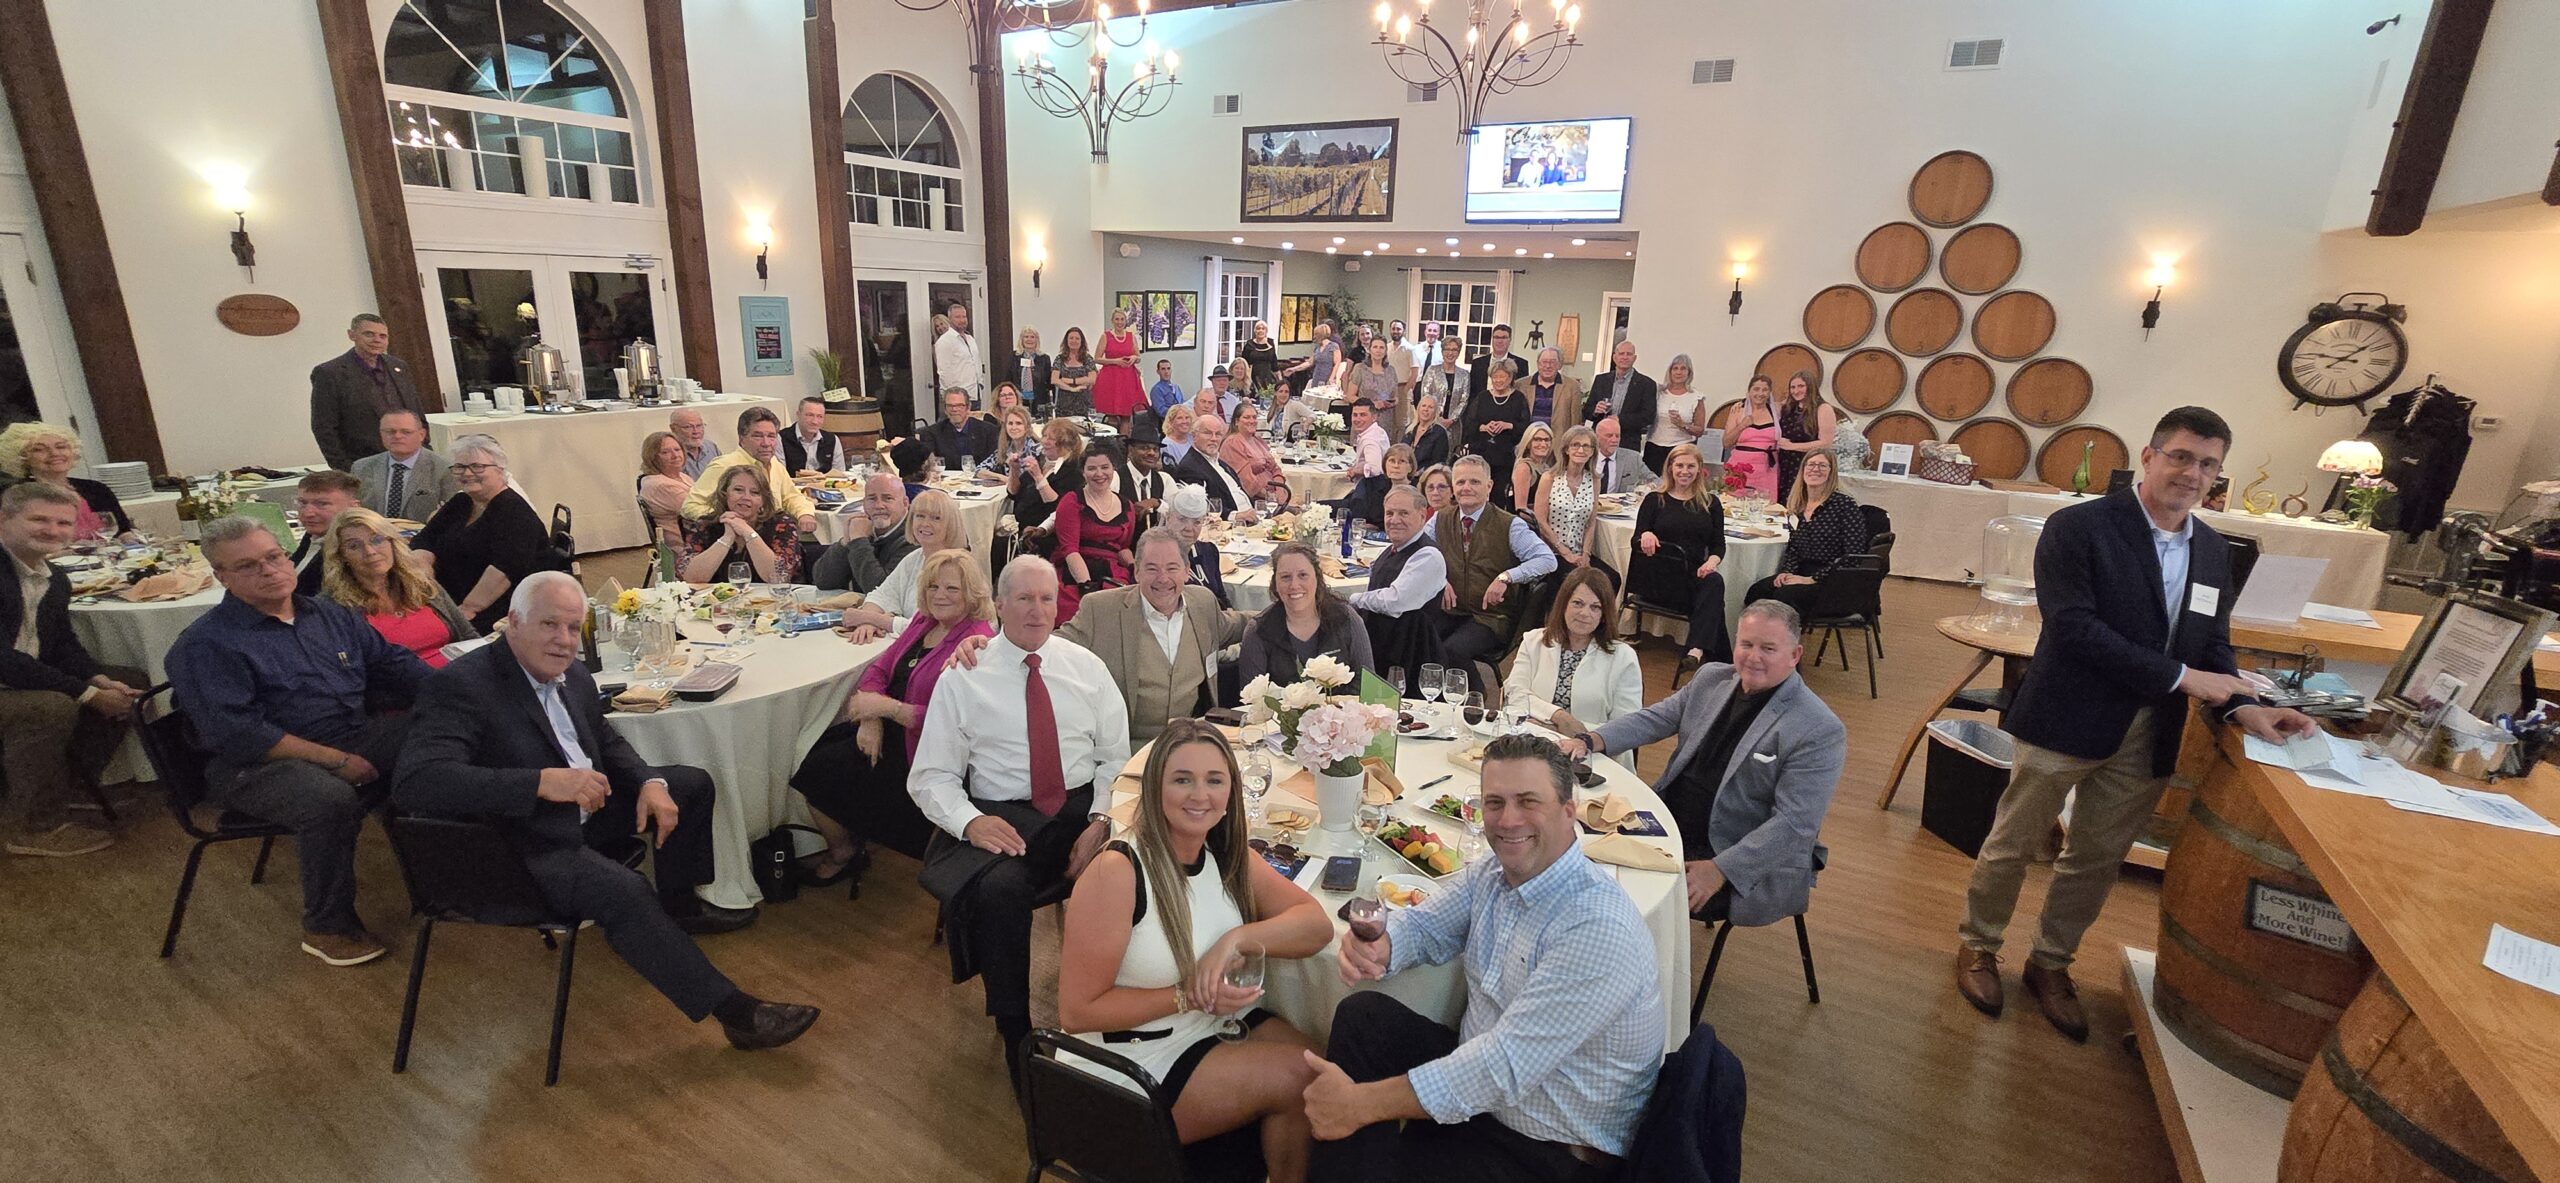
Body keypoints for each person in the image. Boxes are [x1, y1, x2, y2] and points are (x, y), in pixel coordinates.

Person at [1956, 406, 2318, 1041]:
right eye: (2180, 457)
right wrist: (2183, 679)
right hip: (2066, 715)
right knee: (2014, 843)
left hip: (2148, 730)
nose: (2191, 473)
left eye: (2207, 464)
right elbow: (2074, 629)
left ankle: (2051, 963)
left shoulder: (2212, 549)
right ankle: (1979, 946)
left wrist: (2244, 704)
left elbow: (2212, 646)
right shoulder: (2079, 528)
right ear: (2148, 458)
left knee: (2096, 857)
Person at [394, 572, 818, 1048]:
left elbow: (608, 741)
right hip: (515, 842)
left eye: (573, 629)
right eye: (550, 625)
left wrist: (649, 782)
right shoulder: (463, 687)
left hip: (583, 808)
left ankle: (677, 912)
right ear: (512, 623)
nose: (563, 641)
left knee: (689, 785)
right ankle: (738, 1015)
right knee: (627, 891)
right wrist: (538, 783)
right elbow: (419, 782)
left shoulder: (571, 672)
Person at [1307, 732, 1662, 1180]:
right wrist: (1385, 944)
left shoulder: (1596, 927)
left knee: (1363, 1115)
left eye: (1528, 802)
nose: (1508, 820)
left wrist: (1361, 1106)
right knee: (1364, 1018)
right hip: (1493, 1092)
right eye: (1495, 803)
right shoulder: (1497, 872)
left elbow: (1500, 1068)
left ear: (1568, 812)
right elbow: (1426, 925)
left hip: (1547, 1149)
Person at [1062, 719, 1332, 1180]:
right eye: (1182, 779)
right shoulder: (1118, 871)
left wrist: (1237, 938)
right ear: (1155, 788)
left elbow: (1317, 926)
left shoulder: (1225, 855)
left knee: (1323, 1065)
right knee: (1302, 1079)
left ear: (1231, 791)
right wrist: (1188, 995)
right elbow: (1077, 1012)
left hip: (1202, 1028)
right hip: (1126, 1063)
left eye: (1214, 780)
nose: (1199, 795)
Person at [167, 516, 434, 966]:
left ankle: (461, 872)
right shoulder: (206, 645)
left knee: (449, 730)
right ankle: (327, 926)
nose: (269, 570)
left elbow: (394, 664)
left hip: (349, 736)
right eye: (248, 566)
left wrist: (465, 697)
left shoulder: (327, 613)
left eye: (273, 557)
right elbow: (240, 734)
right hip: (255, 764)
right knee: (327, 799)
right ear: (222, 577)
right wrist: (335, 760)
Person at [910, 557, 1127, 1077]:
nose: (1037, 610)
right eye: (1024, 599)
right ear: (1000, 606)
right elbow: (931, 776)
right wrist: (969, 822)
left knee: (1133, 865)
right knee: (997, 892)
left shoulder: (1086, 667)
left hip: (1079, 807)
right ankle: (1016, 1031)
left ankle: (1119, 1011)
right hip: (1005, 817)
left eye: (1047, 598)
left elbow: (1116, 757)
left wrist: (1100, 821)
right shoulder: (964, 676)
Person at [1568, 601, 1846, 929]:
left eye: (1768, 648)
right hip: (1667, 820)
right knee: (1578, 852)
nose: (1753, 657)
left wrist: (1721, 869)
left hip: (1728, 848)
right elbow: (1656, 718)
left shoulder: (1818, 728)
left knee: (1626, 897)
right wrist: (1591, 740)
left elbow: (1795, 825)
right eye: (1746, 644)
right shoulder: (1712, 678)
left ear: (1794, 655)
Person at [791, 549, 994, 886]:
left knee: (823, 768)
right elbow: (879, 668)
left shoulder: (977, 642)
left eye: (951, 589)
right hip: (888, 728)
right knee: (810, 755)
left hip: (926, 750)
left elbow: (961, 724)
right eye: (933, 587)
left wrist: (887, 710)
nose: (939, 596)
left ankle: (846, 850)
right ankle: (848, 845)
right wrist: (871, 719)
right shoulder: (923, 622)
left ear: (972, 595)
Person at [0, 482, 145, 858]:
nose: (53, 530)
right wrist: (87, 694)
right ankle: (36, 825)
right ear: (4, 519)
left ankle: (70, 789)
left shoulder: (54, 578)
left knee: (130, 683)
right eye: (39, 519)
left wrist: (99, 680)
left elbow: (62, 644)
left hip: (18, 677)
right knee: (50, 706)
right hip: (8, 680)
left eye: (63, 523)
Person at [1039, 528, 1250, 745]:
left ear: (1187, 571)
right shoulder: (1100, 610)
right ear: (1136, 571)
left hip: (1190, 742)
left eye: (1172, 568)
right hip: (1126, 748)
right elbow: (1052, 648)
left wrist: (1284, 609)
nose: (1163, 578)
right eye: (1152, 568)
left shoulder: (1202, 603)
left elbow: (1238, 624)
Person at [410, 434, 551, 633]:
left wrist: (465, 611)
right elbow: (425, 539)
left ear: (500, 470)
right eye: (459, 467)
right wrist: (423, 571)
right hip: (446, 599)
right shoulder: (462, 502)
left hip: (497, 611)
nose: (467, 473)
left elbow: (503, 572)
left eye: (477, 467)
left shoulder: (515, 512)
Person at [1504, 569, 1643, 770]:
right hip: (1532, 750)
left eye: (1595, 607)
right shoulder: (1533, 641)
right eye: (1577, 603)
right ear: (1563, 605)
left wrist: (1572, 734)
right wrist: (1560, 718)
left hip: (1595, 761)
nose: (1585, 613)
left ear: (1604, 615)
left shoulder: (1623, 657)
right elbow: (1515, 695)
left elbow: (1626, 728)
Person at [1431, 456, 1557, 675]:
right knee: (1413, 633)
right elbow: (1419, 553)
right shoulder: (1439, 519)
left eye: (1474, 482)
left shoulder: (1509, 525)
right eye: (1460, 482)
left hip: (1491, 617)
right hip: (1450, 610)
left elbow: (1547, 560)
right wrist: (1439, 578)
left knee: (1452, 650)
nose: (1466, 488)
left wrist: (1506, 577)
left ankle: (1475, 699)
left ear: (1489, 486)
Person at [319, 507, 475, 669]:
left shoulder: (422, 584)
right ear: (341, 556)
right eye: (354, 546)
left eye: (377, 540)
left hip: (459, 679)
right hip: (399, 690)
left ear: (393, 543)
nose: (370, 552)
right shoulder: (334, 606)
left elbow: (469, 637)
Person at [1629, 444, 1731, 672]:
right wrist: (1645, 534)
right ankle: (1718, 661)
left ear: (1699, 469)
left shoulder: (1711, 503)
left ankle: (1695, 652)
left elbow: (1718, 545)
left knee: (1714, 582)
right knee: (1713, 598)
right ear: (1671, 468)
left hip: (1692, 578)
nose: (1685, 471)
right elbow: (1635, 540)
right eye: (1680, 465)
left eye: (1690, 466)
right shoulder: (1655, 500)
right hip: (1657, 579)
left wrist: (1712, 561)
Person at [1743, 449, 1866, 617]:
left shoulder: (1845, 506)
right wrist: (1787, 572)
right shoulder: (1798, 505)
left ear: (1831, 472)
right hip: (1802, 571)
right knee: (1757, 591)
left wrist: (1812, 579)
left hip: (1834, 580)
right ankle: (1758, 640)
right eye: (1811, 464)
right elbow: (1794, 549)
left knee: (1783, 597)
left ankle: (1784, 641)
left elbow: (1853, 557)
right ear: (1803, 470)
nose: (1815, 469)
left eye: (1822, 465)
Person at [1350, 486, 1446, 695]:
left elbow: (1395, 600)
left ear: (1422, 516)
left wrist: (1353, 599)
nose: (1394, 520)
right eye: (1389, 513)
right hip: (1383, 646)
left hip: (1410, 654)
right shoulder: (1393, 548)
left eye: (1403, 513)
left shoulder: (1428, 556)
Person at [1241, 542, 1376, 687]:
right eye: (1285, 577)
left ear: (1317, 578)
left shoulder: (1346, 618)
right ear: (1275, 583)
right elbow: (1252, 701)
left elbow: (1366, 685)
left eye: (1303, 575)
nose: (1294, 585)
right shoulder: (1258, 631)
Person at [835, 488, 962, 642]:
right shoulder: (915, 558)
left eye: (936, 518)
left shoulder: (954, 567)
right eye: (920, 516)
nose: (925, 524)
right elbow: (882, 594)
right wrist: (866, 623)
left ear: (951, 524)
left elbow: (931, 628)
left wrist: (872, 618)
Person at [309, 313, 425, 471]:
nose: (377, 340)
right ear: (352, 335)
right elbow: (324, 426)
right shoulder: (329, 373)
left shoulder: (399, 367)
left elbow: (416, 411)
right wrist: (344, 468)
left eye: (382, 336)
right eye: (369, 334)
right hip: (363, 463)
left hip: (411, 458)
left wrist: (424, 447)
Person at [679, 406, 821, 534]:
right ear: (742, 438)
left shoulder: (774, 463)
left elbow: (791, 496)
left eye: (771, 436)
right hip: (735, 539)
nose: (766, 443)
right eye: (757, 436)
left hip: (772, 534)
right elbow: (690, 506)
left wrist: (805, 514)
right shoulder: (724, 465)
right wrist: (727, 518)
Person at [0, 422, 134, 541]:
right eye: (39, 449)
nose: (54, 453)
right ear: (22, 457)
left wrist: (129, 538)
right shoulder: (14, 494)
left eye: (61, 447)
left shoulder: (96, 488)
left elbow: (122, 530)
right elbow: (14, 544)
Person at [1052, 442, 1137, 622]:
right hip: (1076, 568)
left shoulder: (1126, 505)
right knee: (1076, 611)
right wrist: (1086, 586)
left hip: (1113, 571)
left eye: (1105, 467)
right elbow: (1070, 550)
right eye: (1092, 468)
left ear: (1114, 469)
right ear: (1083, 472)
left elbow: (1123, 548)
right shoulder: (1072, 501)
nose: (1099, 474)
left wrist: (1135, 568)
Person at [682, 462, 801, 585]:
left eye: (755, 493)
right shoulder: (705, 525)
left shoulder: (781, 524)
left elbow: (778, 576)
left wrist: (747, 532)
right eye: (738, 490)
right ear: (724, 494)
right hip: (719, 601)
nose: (746, 497)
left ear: (763, 501)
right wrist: (727, 538)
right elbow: (691, 578)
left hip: (772, 601)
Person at [1532, 425, 1607, 591]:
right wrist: (1564, 552)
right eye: (1575, 445)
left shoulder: (1594, 480)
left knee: (1612, 579)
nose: (1581, 450)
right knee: (1576, 583)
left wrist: (1585, 555)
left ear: (1593, 451)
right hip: (1553, 552)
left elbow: (1591, 522)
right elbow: (1540, 521)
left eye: (1586, 446)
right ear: (1566, 449)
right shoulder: (1549, 478)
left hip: (1579, 553)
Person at [810, 471, 909, 593]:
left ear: (905, 503)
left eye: (887, 498)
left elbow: (882, 591)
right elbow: (823, 581)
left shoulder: (914, 539)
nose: (879, 505)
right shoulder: (863, 528)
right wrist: (845, 542)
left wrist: (859, 541)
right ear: (863, 503)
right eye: (872, 499)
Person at [353, 409, 457, 523]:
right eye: (390, 431)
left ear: (422, 435)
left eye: (406, 432)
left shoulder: (444, 469)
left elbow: (452, 514)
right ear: (381, 434)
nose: (397, 436)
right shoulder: (361, 467)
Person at [1461, 365, 1531, 508]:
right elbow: (1469, 423)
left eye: (1502, 377)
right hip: (1481, 453)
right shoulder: (1483, 397)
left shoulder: (1518, 398)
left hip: (1505, 456)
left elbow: (1525, 426)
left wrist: (1508, 425)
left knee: (1498, 494)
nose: (1498, 380)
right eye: (1495, 377)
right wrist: (1484, 427)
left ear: (1510, 378)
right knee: (1478, 490)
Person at [288, 470, 363, 596]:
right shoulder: (314, 534)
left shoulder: (353, 553)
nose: (308, 513)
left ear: (353, 508)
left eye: (322, 504)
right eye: (303, 503)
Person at [1172, 414, 1256, 519]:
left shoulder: (1221, 464)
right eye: (1208, 433)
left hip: (1252, 518)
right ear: (1194, 436)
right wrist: (1236, 516)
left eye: (1218, 434)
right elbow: (1198, 508)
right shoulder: (1189, 467)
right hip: (1231, 526)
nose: (1214, 439)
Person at [1162, 486, 1229, 608]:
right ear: (1168, 518)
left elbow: (1222, 597)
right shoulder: (1157, 557)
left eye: (1197, 522)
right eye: (1182, 519)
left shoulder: (1209, 550)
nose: (1189, 528)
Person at [1772, 371, 1835, 503]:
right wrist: (1743, 404)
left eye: (1801, 386)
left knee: (1800, 504)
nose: (1796, 391)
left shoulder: (1823, 408)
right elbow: (1764, 406)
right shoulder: (1789, 407)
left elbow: (1826, 443)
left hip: (1807, 466)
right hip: (1784, 465)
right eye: (1793, 387)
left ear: (1810, 387)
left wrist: (1792, 446)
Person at [1013, 417, 1084, 531]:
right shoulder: (1041, 462)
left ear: (1065, 444)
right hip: (1020, 526)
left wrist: (1038, 477)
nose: (1044, 441)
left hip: (1044, 533)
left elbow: (1057, 508)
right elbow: (1013, 494)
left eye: (1051, 439)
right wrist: (1014, 470)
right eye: (1044, 436)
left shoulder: (1073, 472)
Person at [1719, 374, 1781, 503]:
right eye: (1756, 389)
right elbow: (1726, 443)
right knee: (1734, 506)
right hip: (1739, 469)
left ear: (1770, 392)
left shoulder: (1777, 410)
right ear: (1749, 392)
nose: (1760, 393)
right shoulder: (1737, 411)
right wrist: (1742, 426)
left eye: (1765, 390)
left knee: (1765, 505)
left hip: (1767, 468)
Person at [1223, 403, 1293, 510]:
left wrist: (1280, 491)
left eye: (1254, 417)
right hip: (1255, 500)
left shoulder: (1257, 440)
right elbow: (1247, 481)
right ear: (1237, 421)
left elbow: (1275, 469)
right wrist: (1272, 498)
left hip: (1275, 495)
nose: (1252, 421)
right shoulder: (1232, 443)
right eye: (1246, 417)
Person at [1093, 307, 1146, 431]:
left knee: (1126, 415)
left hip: (1127, 378)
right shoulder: (1106, 336)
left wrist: (1134, 357)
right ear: (1112, 320)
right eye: (1117, 319)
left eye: (1122, 319)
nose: (1119, 322)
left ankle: (1124, 445)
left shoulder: (1130, 336)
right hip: (1111, 378)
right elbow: (1097, 358)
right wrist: (1115, 361)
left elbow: (1138, 357)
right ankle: (1112, 444)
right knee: (1112, 415)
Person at [1592, 340, 1656, 441]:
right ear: (1614, 357)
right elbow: (1587, 410)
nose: (1625, 357)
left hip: (1628, 441)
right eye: (1621, 353)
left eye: (1629, 354)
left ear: (1634, 358)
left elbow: (1648, 417)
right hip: (1601, 439)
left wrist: (1620, 419)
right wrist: (1595, 410)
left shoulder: (1647, 384)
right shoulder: (1601, 380)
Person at [636, 430, 691, 547]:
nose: (675, 456)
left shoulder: (681, 476)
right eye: (665, 452)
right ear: (652, 457)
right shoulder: (660, 485)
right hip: (682, 545)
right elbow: (696, 512)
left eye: (677, 450)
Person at [925, 386, 1000, 471]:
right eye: (950, 405)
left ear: (968, 408)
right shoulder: (933, 433)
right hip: (947, 482)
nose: (954, 409)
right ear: (945, 409)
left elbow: (993, 464)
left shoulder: (988, 431)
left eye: (959, 405)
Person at [1464, 323, 1528, 405]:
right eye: (1496, 337)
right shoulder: (1478, 363)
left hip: (1509, 411)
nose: (1500, 341)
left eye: (1504, 337)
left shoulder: (1521, 364)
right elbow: (1472, 392)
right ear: (1492, 339)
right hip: (1481, 410)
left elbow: (1522, 393)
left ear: (1510, 340)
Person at [935, 300, 982, 408]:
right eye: (958, 317)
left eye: (964, 317)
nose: (962, 320)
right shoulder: (945, 341)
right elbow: (944, 372)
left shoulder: (970, 339)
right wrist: (953, 399)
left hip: (975, 394)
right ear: (950, 319)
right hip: (958, 399)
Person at [1414, 334, 1468, 428]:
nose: (1450, 353)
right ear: (1442, 351)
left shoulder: (1464, 374)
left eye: (1454, 350)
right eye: (1447, 349)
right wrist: (1438, 418)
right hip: (1431, 422)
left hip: (1453, 425)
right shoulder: (1432, 370)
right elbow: (1426, 396)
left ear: (1458, 352)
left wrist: (1452, 419)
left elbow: (1464, 400)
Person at [1591, 416, 1653, 496]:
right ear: (1596, 437)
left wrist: (1648, 488)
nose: (1614, 440)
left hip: (1620, 506)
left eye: (1617, 436)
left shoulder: (1633, 458)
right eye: (1609, 436)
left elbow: (1656, 481)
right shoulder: (1586, 457)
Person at [1524, 347, 1583, 430]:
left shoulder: (1572, 386)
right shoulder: (1522, 385)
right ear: (1538, 364)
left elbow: (1575, 420)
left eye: (1553, 362)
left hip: (1558, 440)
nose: (1548, 366)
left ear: (1560, 365)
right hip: (1528, 438)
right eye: (1544, 362)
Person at [1349, 340, 1397, 437]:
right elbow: (1350, 396)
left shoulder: (1391, 370)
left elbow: (1396, 397)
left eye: (1381, 347)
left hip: (1385, 420)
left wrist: (1390, 403)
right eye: (1375, 347)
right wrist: (1372, 404)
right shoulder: (1360, 369)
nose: (1378, 350)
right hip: (1364, 419)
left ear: (1385, 351)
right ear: (1370, 350)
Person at [981, 405, 1038, 481]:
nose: (1014, 427)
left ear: (1027, 427)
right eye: (1010, 423)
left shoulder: (1037, 450)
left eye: (1018, 423)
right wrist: (1001, 477)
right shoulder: (1005, 449)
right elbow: (979, 470)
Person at [1509, 422, 1556, 516]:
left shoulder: (1546, 467)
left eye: (1547, 440)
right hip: (1529, 526)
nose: (1543, 444)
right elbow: (1521, 510)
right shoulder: (1524, 468)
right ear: (1528, 443)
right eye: (1537, 439)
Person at [1052, 326, 1098, 419]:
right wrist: (1072, 388)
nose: (1074, 341)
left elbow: (1092, 379)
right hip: (1063, 405)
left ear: (1081, 341)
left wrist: (1069, 381)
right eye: (1071, 338)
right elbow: (1054, 380)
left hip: (1084, 404)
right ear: (1066, 341)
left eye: (1077, 338)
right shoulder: (1060, 359)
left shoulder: (1087, 358)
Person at [1282, 323, 1340, 393]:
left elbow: (1337, 363)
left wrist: (1331, 378)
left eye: (1316, 334)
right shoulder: (1317, 348)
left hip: (1328, 378)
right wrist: (1293, 369)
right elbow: (1309, 362)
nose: (1314, 337)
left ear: (1320, 335)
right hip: (1317, 377)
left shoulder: (1333, 346)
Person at [1404, 392, 1451, 473]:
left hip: (1425, 475)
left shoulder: (1439, 433)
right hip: (1406, 473)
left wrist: (1420, 472)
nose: (1426, 409)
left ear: (1435, 412)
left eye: (1430, 407)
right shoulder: (1409, 429)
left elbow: (1438, 462)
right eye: (1424, 406)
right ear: (1418, 409)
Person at [668, 407, 719, 480]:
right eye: (688, 427)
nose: (696, 431)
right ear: (673, 429)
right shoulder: (671, 455)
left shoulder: (711, 447)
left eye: (699, 426)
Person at [1013, 327, 1054, 413]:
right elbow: (1009, 378)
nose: (1029, 339)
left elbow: (1049, 381)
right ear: (1021, 339)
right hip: (1019, 401)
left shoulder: (1044, 358)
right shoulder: (1014, 357)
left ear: (1037, 340)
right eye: (1026, 336)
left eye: (1032, 337)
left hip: (1040, 401)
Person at [1347, 400, 1390, 481]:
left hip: (1371, 488)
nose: (1357, 419)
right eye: (1355, 415)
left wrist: (1356, 470)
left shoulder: (1370, 440)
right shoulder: (1378, 430)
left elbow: (1375, 469)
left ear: (1374, 417)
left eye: (1363, 415)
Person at [1240, 319, 1282, 392]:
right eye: (1258, 328)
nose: (1260, 330)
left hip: (1268, 375)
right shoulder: (1249, 344)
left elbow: (1274, 362)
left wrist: (1280, 380)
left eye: (1263, 329)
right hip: (1254, 375)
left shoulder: (1270, 343)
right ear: (1255, 331)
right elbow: (1243, 362)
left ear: (1266, 331)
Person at [1160, 402, 1198, 469]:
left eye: (1187, 418)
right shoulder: (1167, 445)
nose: (1184, 421)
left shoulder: (1192, 437)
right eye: (1179, 418)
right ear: (1171, 422)